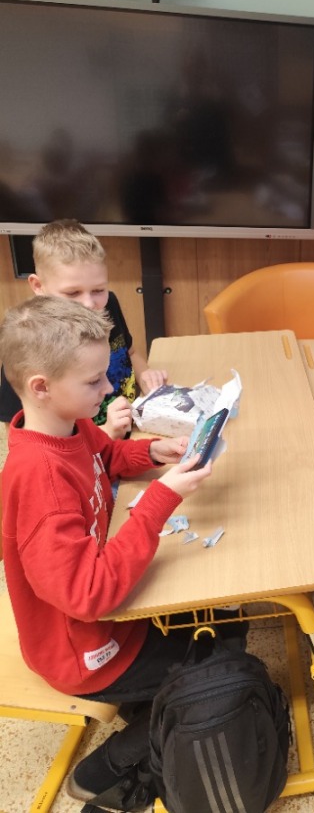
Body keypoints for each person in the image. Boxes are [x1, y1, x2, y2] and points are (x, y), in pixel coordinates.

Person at [0, 296, 223, 808]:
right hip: (83, 652)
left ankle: (154, 708)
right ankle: (109, 766)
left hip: (109, 618)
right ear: (41, 386)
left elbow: (103, 454)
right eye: (94, 381)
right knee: (214, 664)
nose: (107, 390)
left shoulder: (67, 424)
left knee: (221, 621)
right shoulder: (41, 482)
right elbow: (89, 595)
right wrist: (162, 498)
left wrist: (150, 452)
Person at [0, 219, 168, 439]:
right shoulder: (29, 344)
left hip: (131, 427)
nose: (90, 304)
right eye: (72, 293)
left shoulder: (108, 305)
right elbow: (21, 438)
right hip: (92, 449)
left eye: (98, 290)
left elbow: (130, 351)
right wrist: (107, 433)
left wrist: (145, 373)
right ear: (38, 286)